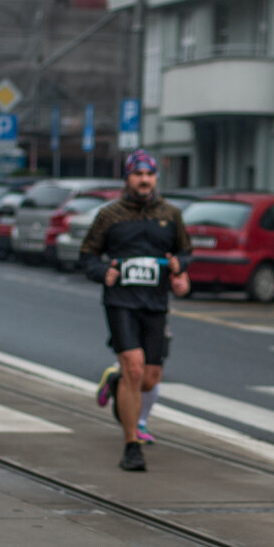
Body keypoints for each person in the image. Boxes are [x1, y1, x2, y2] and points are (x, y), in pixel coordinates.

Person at [81, 149, 192, 471]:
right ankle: (132, 446)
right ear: (127, 178)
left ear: (155, 178)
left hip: (155, 304)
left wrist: (180, 268)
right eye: (138, 174)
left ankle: (116, 383)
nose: (144, 180)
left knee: (149, 378)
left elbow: (185, 252)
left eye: (149, 175)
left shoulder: (170, 214)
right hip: (121, 302)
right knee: (134, 368)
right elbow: (87, 255)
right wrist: (102, 272)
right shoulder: (110, 215)